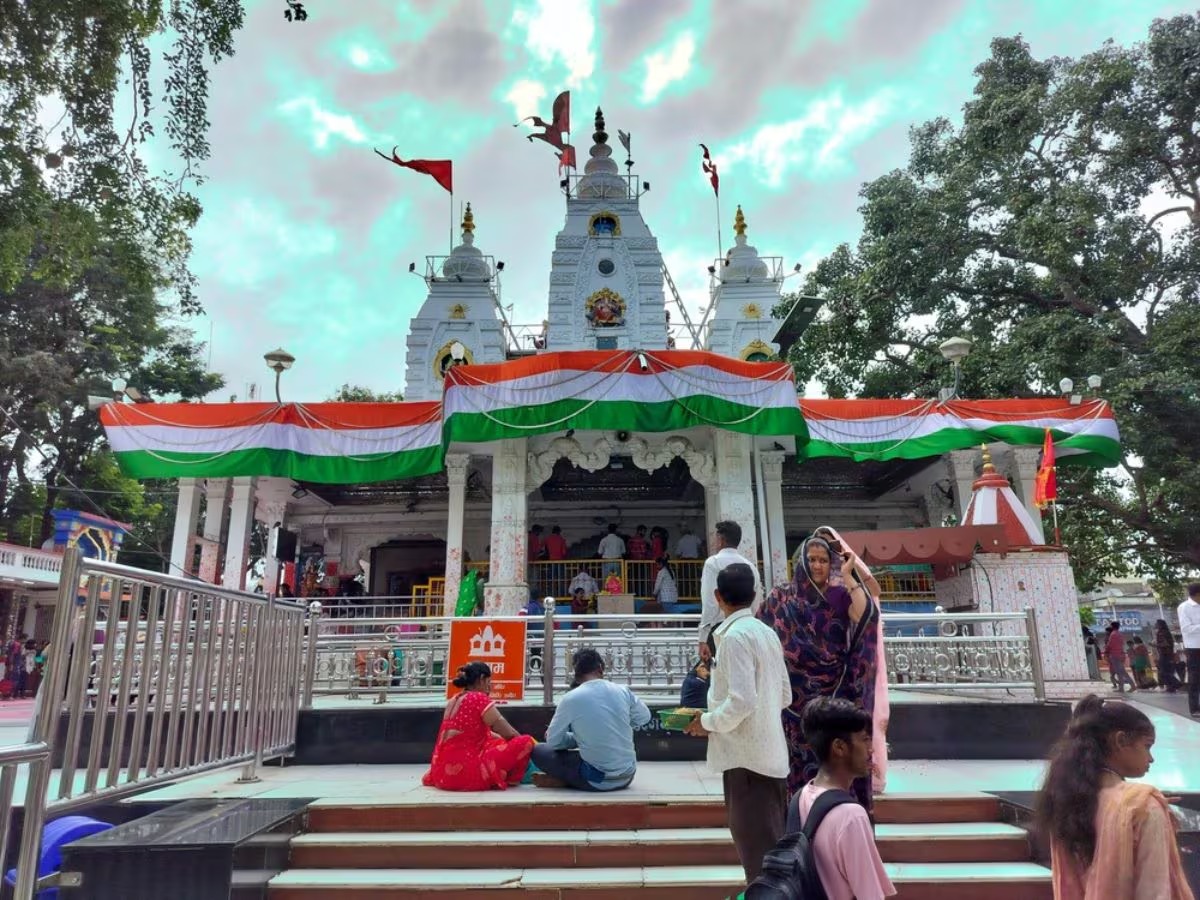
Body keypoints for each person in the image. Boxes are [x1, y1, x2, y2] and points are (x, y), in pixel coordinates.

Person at [684, 563, 791, 884]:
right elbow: (784, 695)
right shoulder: (766, 633)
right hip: (770, 758)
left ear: (717, 597)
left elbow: (742, 701)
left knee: (759, 864)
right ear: (755, 596)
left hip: (748, 765)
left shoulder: (734, 638)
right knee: (770, 856)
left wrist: (707, 721)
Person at [758, 534, 878, 807]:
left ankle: (836, 815)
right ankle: (799, 820)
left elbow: (867, 616)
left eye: (823, 560)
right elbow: (761, 630)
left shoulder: (839, 594)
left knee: (833, 756)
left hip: (833, 691)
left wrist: (849, 576)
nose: (817, 565)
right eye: (811, 559)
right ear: (800, 562)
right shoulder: (781, 597)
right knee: (795, 762)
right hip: (791, 696)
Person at [1037, 695, 1194, 899]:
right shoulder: (1143, 806)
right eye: (1147, 746)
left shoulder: (1066, 801)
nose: (1151, 758)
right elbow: (1155, 892)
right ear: (1120, 740)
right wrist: (1151, 807)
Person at [793, 698, 896, 900]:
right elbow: (870, 895)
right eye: (864, 739)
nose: (871, 749)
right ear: (839, 747)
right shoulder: (851, 816)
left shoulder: (802, 796)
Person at [817, 525, 891, 795]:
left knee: (860, 714)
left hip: (854, 652)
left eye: (829, 547)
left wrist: (850, 575)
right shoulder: (814, 579)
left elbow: (873, 595)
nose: (822, 558)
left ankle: (868, 773)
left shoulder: (851, 572)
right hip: (825, 656)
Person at [531, 649, 650, 791]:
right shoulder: (622, 690)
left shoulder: (571, 698)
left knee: (539, 750)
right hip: (627, 776)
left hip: (597, 781)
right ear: (600, 668)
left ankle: (570, 778)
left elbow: (553, 741)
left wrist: (576, 738)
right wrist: (618, 723)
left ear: (576, 674)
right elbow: (645, 717)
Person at [422, 662, 535, 791]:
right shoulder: (478, 698)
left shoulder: (454, 700)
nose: (490, 687)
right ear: (481, 679)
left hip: (441, 775)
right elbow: (509, 733)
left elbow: (477, 733)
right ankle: (511, 780)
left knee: (496, 741)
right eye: (489, 681)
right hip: (465, 775)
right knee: (525, 741)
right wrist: (530, 748)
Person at [698, 521, 762, 661]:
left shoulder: (713, 563)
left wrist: (703, 637)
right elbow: (756, 602)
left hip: (720, 628)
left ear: (720, 540)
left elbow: (709, 603)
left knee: (719, 676)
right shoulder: (750, 566)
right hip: (747, 627)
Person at [1181, 583, 1200, 718]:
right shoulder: (1184, 608)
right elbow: (1186, 628)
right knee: (1194, 679)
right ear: (1196, 595)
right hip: (1194, 648)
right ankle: (1194, 708)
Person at [1105, 622, 1136, 693]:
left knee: (1121, 672)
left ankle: (1125, 687)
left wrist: (1106, 651)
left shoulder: (1113, 635)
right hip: (1121, 654)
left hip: (1115, 655)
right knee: (1122, 672)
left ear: (1112, 626)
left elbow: (1110, 645)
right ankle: (1128, 686)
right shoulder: (1120, 634)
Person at [1154, 619, 1180, 693]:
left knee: (1163, 672)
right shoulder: (1167, 632)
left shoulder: (1161, 633)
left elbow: (1165, 644)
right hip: (1169, 654)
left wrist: (1155, 645)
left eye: (1157, 623)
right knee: (1167, 671)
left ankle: (1175, 683)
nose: (1155, 624)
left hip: (1164, 654)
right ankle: (1171, 687)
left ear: (1160, 625)